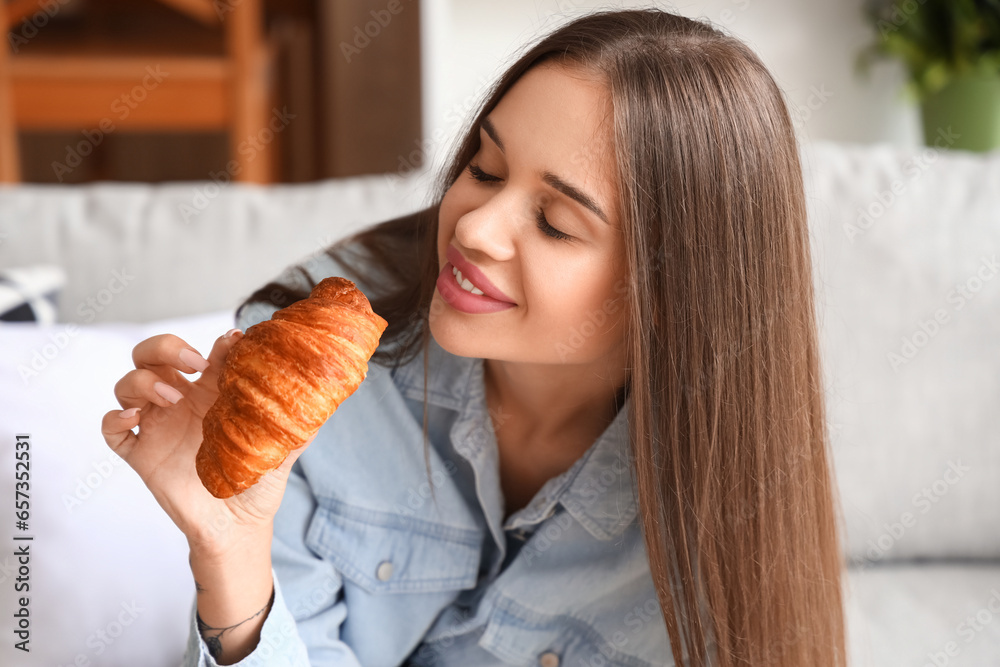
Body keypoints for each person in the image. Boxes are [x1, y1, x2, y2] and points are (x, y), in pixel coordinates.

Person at [101, 7, 848, 667]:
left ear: (673, 292)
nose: (472, 227)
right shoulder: (306, 370)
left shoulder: (724, 501)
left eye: (556, 222)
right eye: (485, 169)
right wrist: (231, 550)